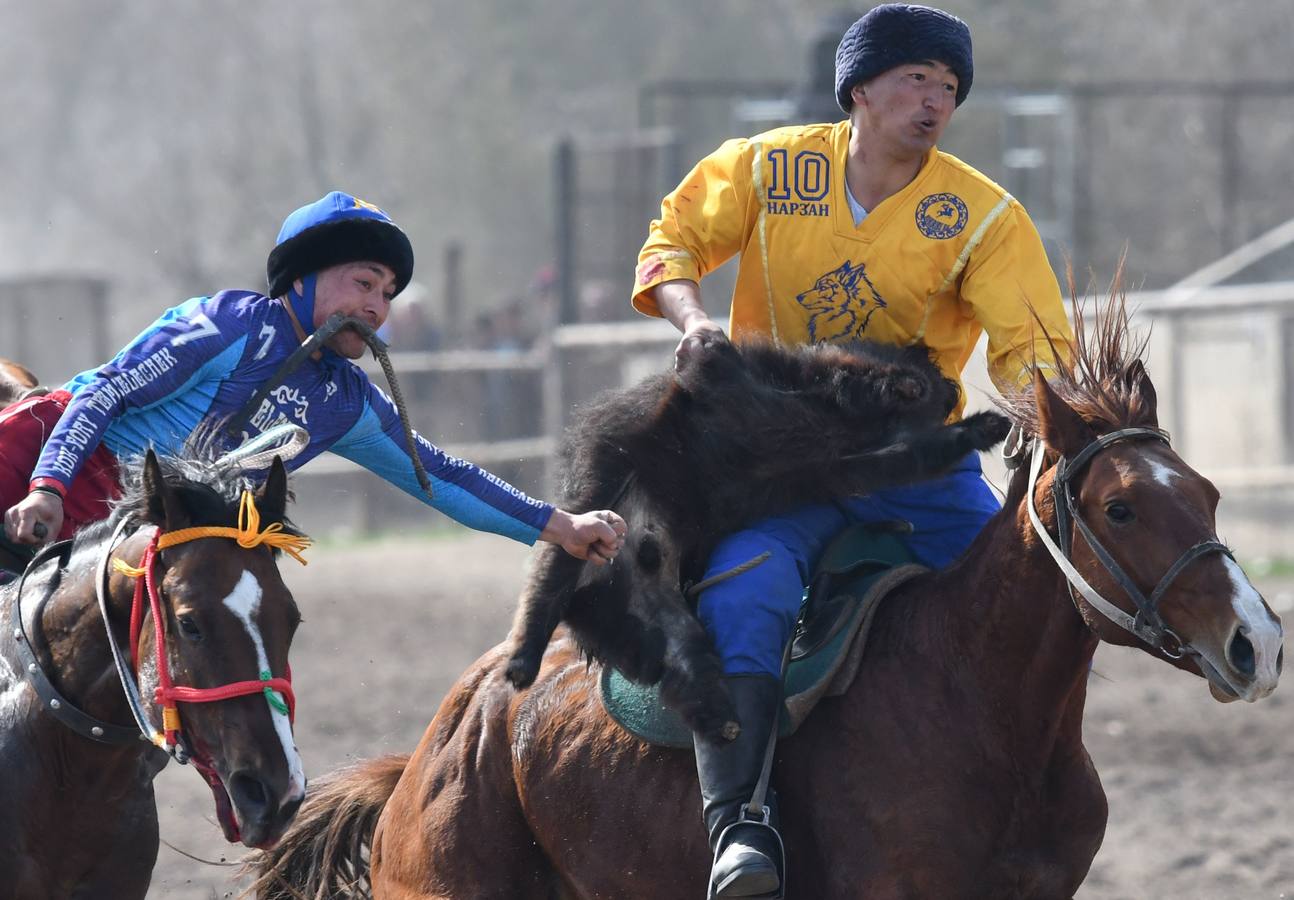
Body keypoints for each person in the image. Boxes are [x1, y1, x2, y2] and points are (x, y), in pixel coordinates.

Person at [631, 5, 1074, 896]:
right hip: (778, 465)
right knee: (746, 593)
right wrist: (695, 323)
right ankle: (740, 828)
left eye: (950, 87)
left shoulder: (984, 214)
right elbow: (670, 244)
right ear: (860, 89)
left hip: (921, 468)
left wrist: (1054, 416)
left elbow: (1032, 348)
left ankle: (1038, 803)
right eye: (917, 79)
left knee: (1027, 591)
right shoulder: (767, 167)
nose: (936, 100)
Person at [3, 191, 625, 570]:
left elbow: (440, 475)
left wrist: (561, 526)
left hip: (140, 535)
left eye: (387, 294)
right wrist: (48, 488)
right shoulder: (232, 324)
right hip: (46, 459)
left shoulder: (348, 403)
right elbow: (105, 393)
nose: (378, 307)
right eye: (364, 283)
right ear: (300, 279)